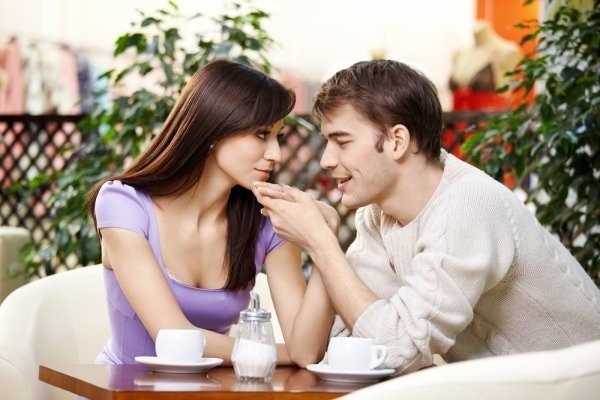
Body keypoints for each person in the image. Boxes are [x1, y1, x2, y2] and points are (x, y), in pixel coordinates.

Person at [253, 59, 600, 374]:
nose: (326, 160)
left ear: (397, 141)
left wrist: (321, 243)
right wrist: (323, 236)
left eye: (342, 142)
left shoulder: (467, 205)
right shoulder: (378, 216)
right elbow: (349, 345)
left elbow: (396, 349)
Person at [87, 59, 334, 366]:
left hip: (210, 388)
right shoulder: (124, 204)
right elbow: (172, 336)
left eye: (278, 137)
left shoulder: (268, 221)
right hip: (122, 387)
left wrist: (324, 240)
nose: (276, 154)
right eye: (261, 134)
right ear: (215, 130)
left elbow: (306, 351)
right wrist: (276, 353)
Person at [449, 20, 521, 111]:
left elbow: (514, 85)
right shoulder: (460, 54)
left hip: (492, 117)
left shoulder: (506, 51)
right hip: (457, 117)